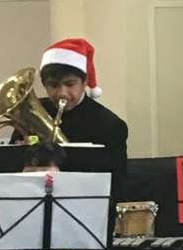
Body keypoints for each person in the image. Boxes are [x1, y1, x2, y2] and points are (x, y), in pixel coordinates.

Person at [11, 38, 128, 199]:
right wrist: (21, 154)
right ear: (44, 85)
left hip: (87, 207)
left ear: (84, 82)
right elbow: (7, 175)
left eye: (70, 84)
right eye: (54, 85)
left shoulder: (110, 125)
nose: (62, 93)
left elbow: (117, 187)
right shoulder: (30, 113)